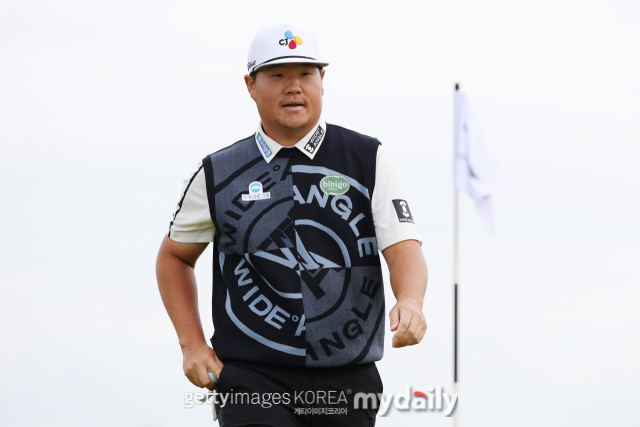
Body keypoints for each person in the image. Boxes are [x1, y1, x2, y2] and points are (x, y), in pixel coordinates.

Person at [156, 22, 428, 427]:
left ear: (323, 81)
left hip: (348, 379)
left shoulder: (367, 157)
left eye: (305, 73)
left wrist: (410, 301)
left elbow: (403, 245)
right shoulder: (217, 172)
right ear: (251, 85)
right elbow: (174, 257)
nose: (294, 87)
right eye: (277, 75)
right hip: (252, 379)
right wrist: (191, 344)